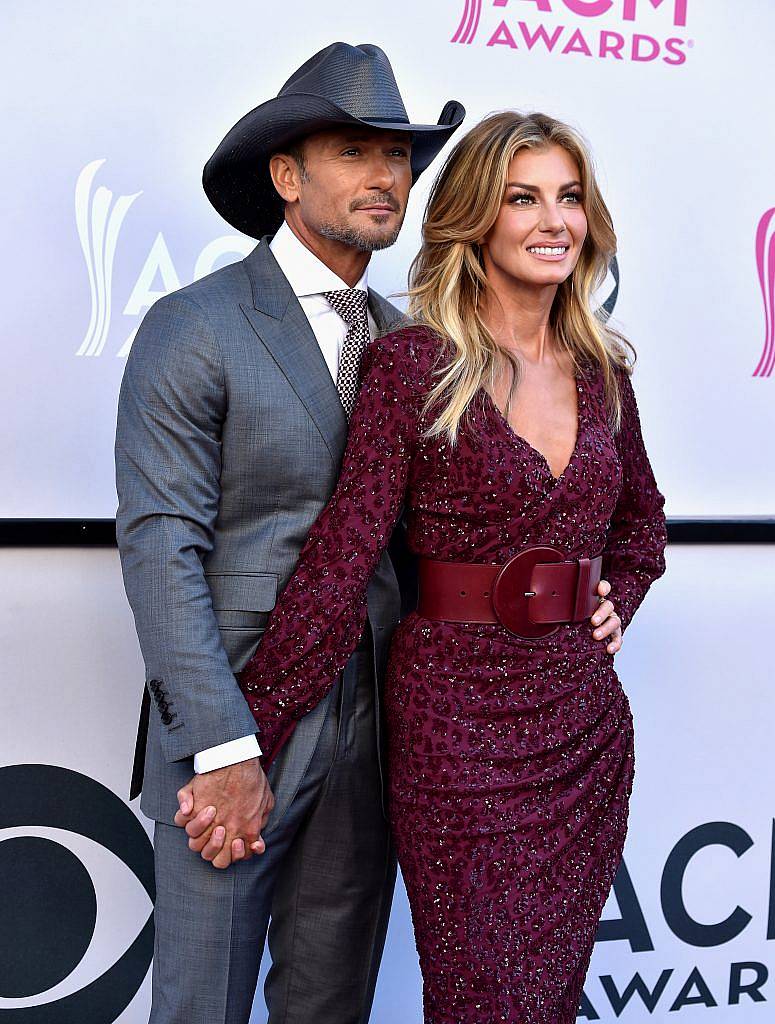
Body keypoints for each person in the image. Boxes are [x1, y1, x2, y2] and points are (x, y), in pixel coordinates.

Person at [206, 110, 668, 1022]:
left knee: (544, 1000)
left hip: (582, 729)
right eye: (522, 197)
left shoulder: (600, 372)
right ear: (474, 221)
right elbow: (341, 564)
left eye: (569, 198)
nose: (553, 221)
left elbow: (641, 526)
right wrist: (243, 739)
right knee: (483, 997)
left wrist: (617, 599)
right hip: (454, 730)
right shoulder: (413, 363)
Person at [115, 41, 464, 1023]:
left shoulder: (415, 348)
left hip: (376, 738)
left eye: (398, 156)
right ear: (284, 173)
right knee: (201, 1008)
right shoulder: (196, 325)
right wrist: (223, 750)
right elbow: (160, 546)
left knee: (330, 1007)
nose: (386, 176)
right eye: (355, 150)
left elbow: (454, 535)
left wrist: (585, 585)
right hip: (235, 735)